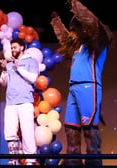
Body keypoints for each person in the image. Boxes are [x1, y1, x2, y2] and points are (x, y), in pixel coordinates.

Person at [50, 0, 114, 166]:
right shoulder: (77, 47)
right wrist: (57, 22)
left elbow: (92, 23)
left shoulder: (97, 42)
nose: (73, 33)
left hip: (88, 86)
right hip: (73, 89)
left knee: (89, 129)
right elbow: (65, 39)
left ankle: (94, 161)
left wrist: (76, 6)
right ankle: (73, 160)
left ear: (83, 29)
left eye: (76, 29)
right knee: (71, 128)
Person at [0, 38, 39, 166]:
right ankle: (13, 160)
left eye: (15, 47)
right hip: (11, 102)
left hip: (25, 102)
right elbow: (3, 83)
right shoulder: (10, 63)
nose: (12, 50)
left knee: (28, 132)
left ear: (22, 47)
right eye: (11, 48)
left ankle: (30, 161)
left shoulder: (31, 61)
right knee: (10, 132)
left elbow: (33, 78)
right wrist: (5, 70)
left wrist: (18, 67)